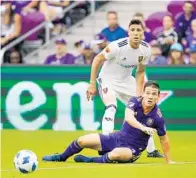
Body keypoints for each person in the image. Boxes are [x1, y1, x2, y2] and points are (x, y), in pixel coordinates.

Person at [42, 81, 175, 164]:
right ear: (143, 94)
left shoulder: (158, 117)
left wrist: (168, 160)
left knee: (115, 154)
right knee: (82, 140)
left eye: (154, 94)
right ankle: (61, 157)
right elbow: (129, 118)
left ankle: (90, 160)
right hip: (117, 138)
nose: (150, 96)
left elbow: (164, 139)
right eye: (148, 93)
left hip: (132, 150)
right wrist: (143, 128)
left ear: (158, 97)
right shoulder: (134, 101)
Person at [86, 19, 163, 157]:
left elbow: (140, 72)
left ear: (143, 33)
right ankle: (105, 145)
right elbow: (97, 59)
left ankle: (151, 150)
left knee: (142, 109)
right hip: (107, 79)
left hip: (126, 80)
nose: (135, 33)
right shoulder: (117, 46)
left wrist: (139, 95)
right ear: (128, 32)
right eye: (132, 30)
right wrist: (92, 83)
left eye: (138, 30)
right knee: (111, 107)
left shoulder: (145, 49)